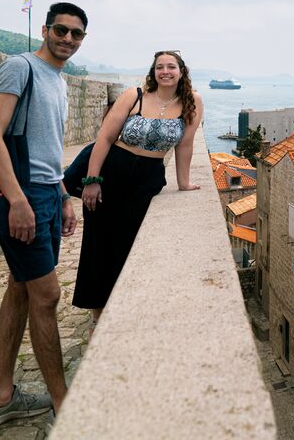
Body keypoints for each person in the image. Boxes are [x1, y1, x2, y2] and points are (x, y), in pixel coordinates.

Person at [0, 2, 87, 429]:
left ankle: (0, 398)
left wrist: (62, 195)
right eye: (61, 30)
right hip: (23, 196)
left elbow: (47, 150)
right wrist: (18, 201)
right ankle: (63, 404)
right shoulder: (19, 68)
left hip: (45, 194)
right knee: (47, 295)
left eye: (76, 33)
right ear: (45, 29)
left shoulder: (58, 81)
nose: (68, 38)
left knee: (21, 287)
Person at [71, 50, 204, 321]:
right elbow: (105, 138)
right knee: (99, 244)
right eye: (160, 67)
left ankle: (124, 306)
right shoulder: (135, 96)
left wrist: (184, 183)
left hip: (147, 180)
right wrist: (92, 180)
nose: (165, 72)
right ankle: (98, 315)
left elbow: (185, 145)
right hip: (111, 173)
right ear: (153, 72)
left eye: (171, 67)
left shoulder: (192, 102)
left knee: (129, 245)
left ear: (181, 72)